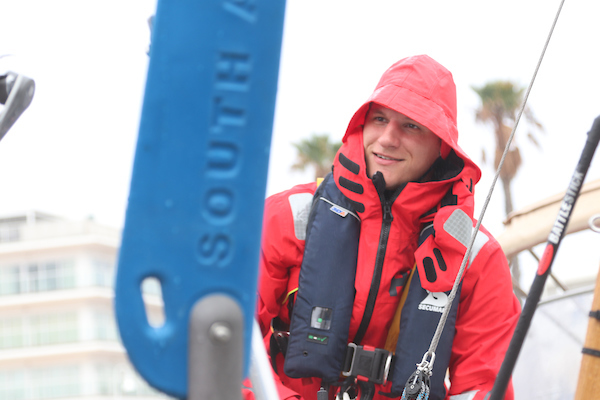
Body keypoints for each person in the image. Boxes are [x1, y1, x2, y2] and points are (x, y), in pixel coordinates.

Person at [253, 55, 520, 400]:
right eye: (379, 118)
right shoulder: (285, 217)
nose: (388, 138)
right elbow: (226, 337)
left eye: (412, 125)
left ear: (443, 147)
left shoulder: (478, 259)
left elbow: (484, 386)